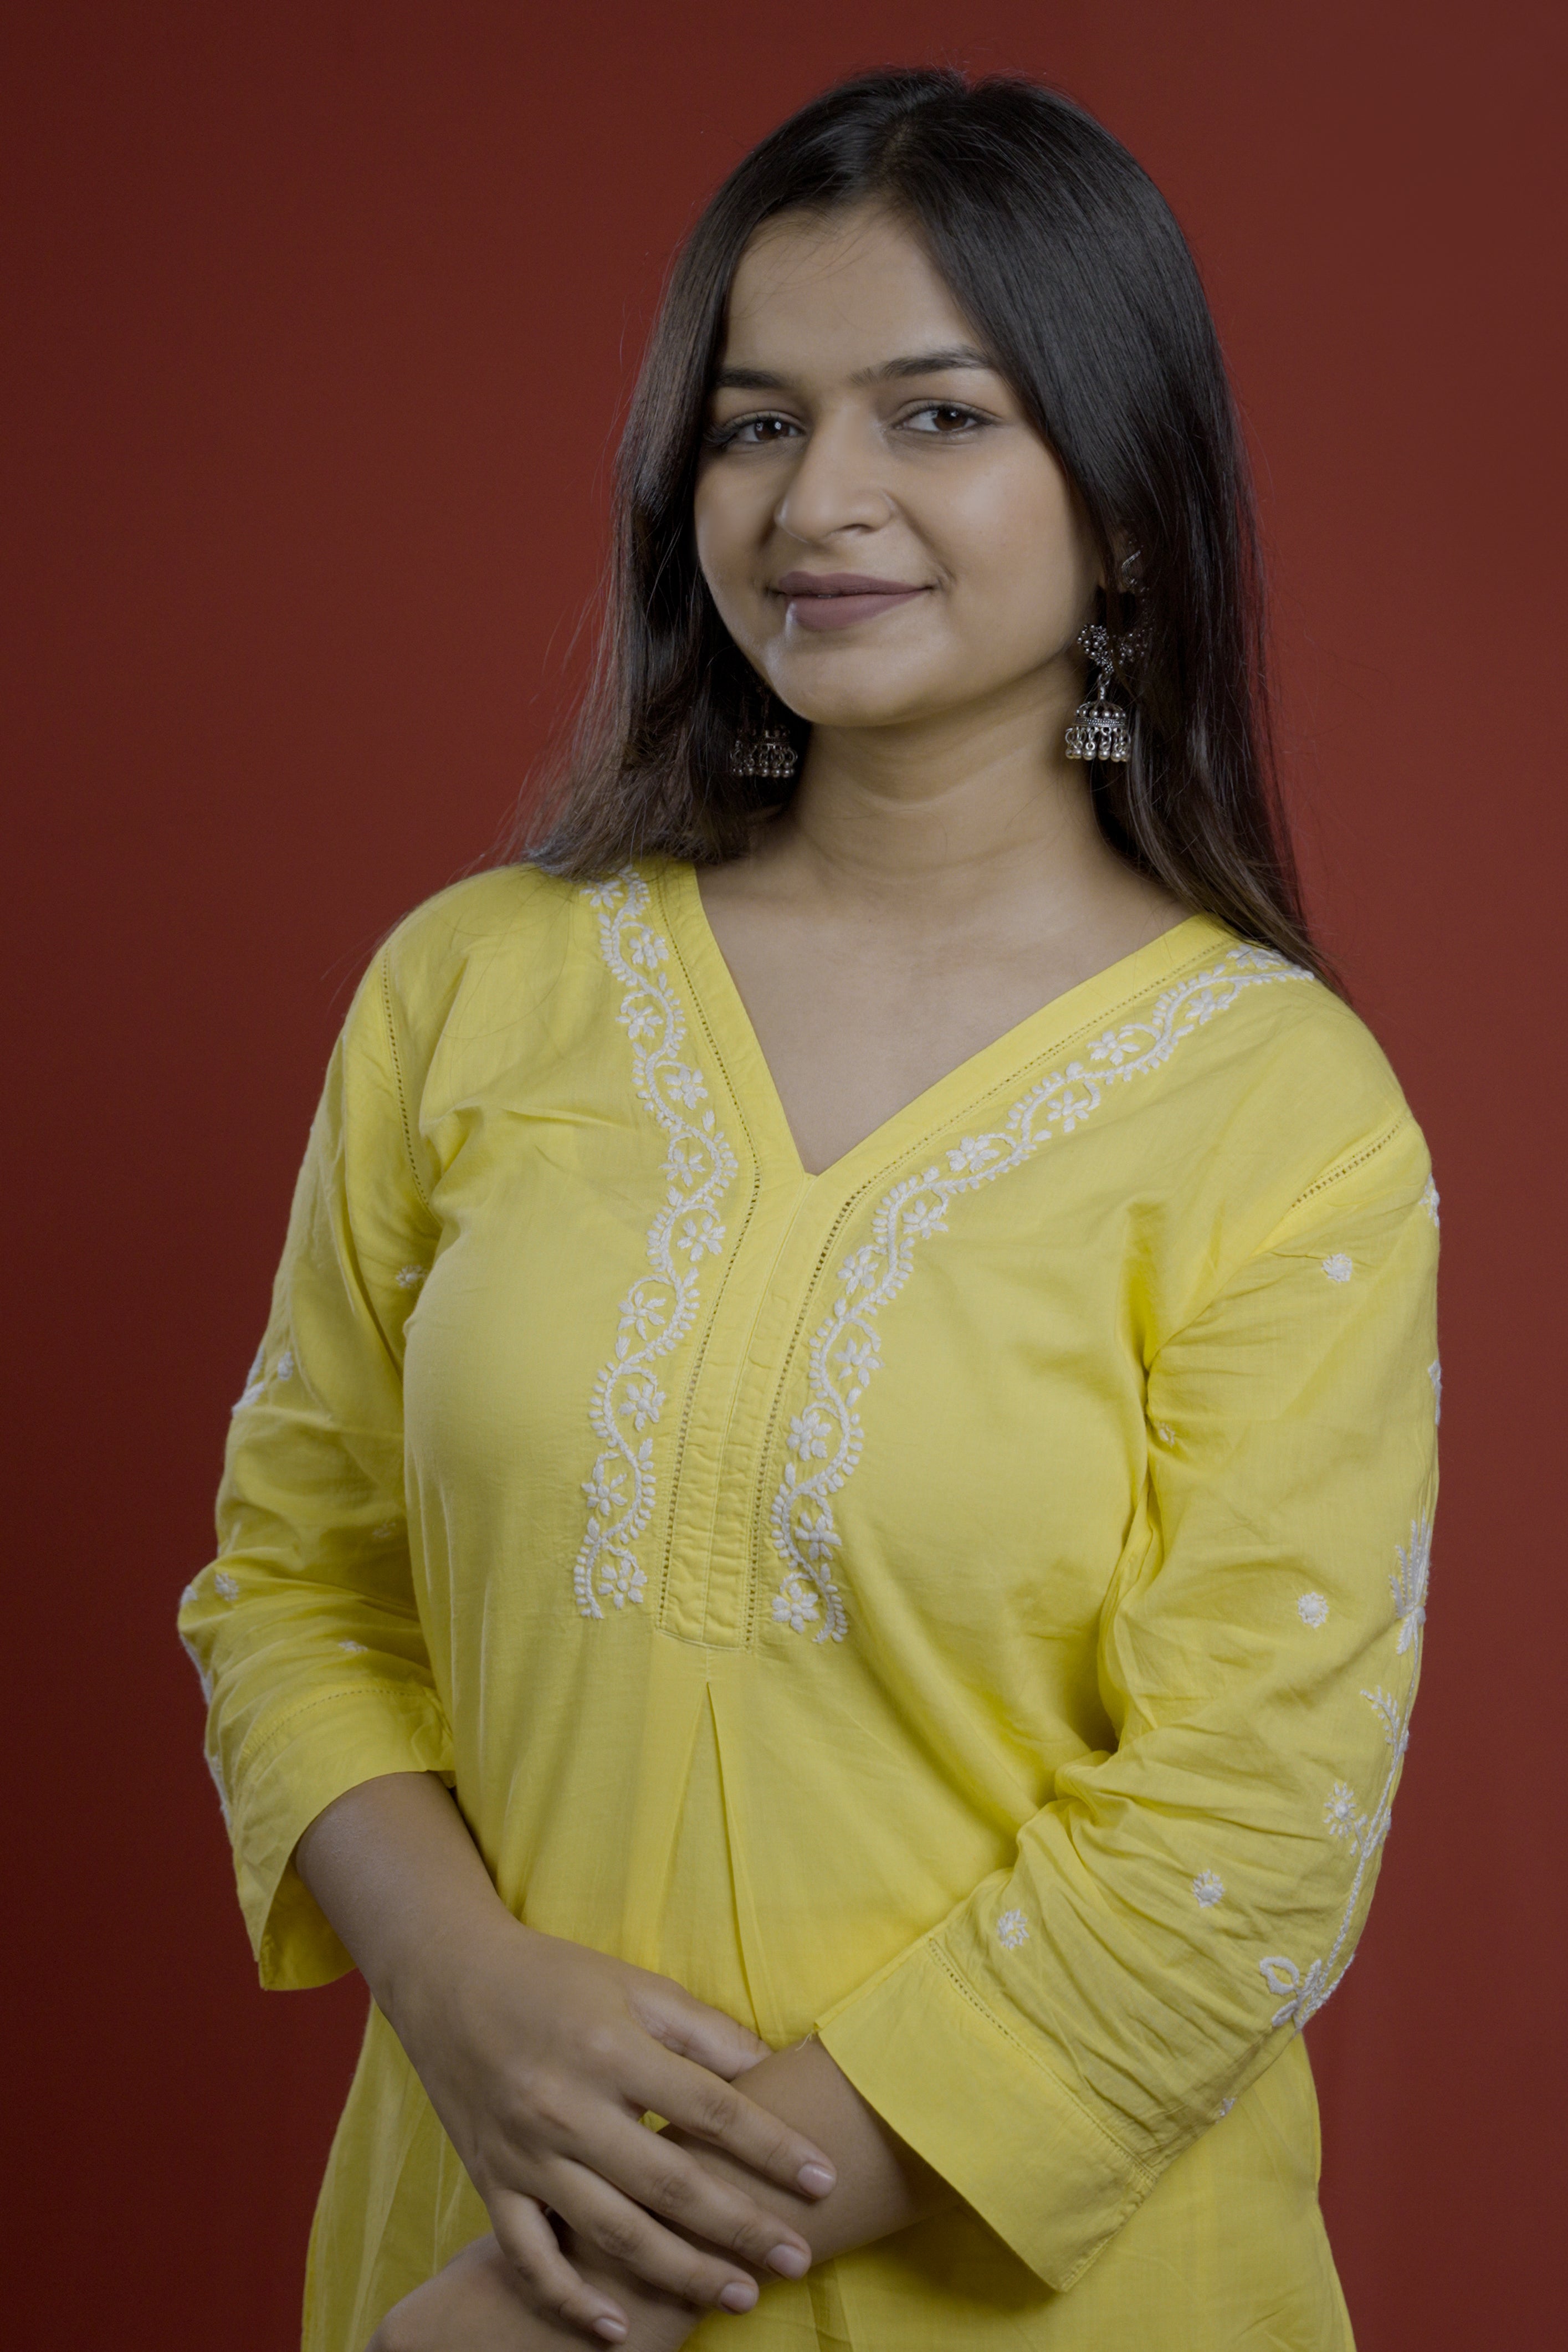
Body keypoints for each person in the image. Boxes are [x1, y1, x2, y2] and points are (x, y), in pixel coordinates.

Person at [178, 66, 1439, 2352]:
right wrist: (460, 1993)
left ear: (1128, 505)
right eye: (753, 426)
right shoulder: (479, 989)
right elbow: (291, 1588)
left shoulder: (1283, 1111)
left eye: (935, 417)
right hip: (456, 2220)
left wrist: (589, 2291)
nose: (817, 503)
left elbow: (1247, 1834)